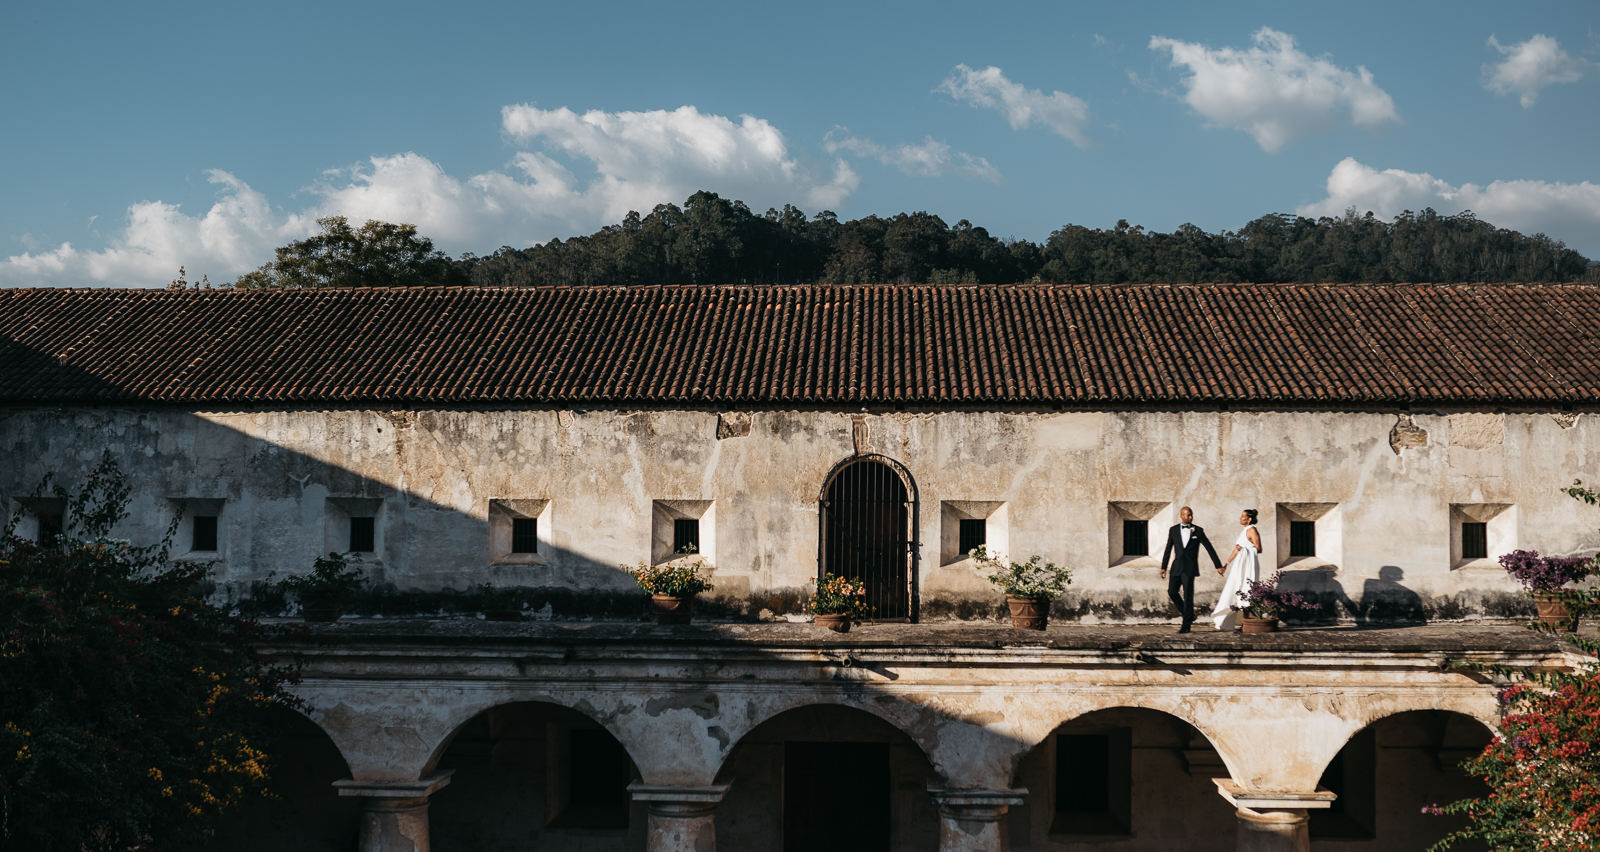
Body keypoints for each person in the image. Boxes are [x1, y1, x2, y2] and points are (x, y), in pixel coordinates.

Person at [1160, 506, 1223, 633]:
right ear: (1181, 516)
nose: (1190, 517)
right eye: (1187, 515)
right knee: (1172, 592)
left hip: (1189, 568)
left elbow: (1209, 548)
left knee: (1188, 596)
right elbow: (1168, 549)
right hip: (1176, 567)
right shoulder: (1173, 530)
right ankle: (1189, 615)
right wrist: (1163, 567)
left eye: (1191, 515)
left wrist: (1218, 565)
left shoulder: (1198, 531)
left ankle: (1186, 626)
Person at [1212, 509, 1263, 632]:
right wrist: (1225, 565)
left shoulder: (1252, 530)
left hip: (1248, 566)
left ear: (1249, 519)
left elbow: (1259, 548)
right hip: (1239, 566)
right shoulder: (1243, 531)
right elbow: (1236, 550)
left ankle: (1249, 622)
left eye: (1242, 516)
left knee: (1247, 590)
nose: (1240, 518)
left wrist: (1245, 549)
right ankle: (1230, 621)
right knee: (1234, 589)